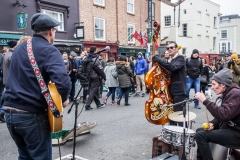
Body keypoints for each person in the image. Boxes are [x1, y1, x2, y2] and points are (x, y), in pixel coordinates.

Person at [3, 13, 72, 159]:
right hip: (31, 114)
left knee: (24, 156)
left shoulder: (20, 48)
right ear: (51, 31)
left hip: (9, 112)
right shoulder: (49, 50)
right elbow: (62, 81)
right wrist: (64, 98)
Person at [194, 68, 240, 160]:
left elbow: (224, 115)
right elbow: (221, 116)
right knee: (200, 131)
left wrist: (205, 101)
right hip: (230, 129)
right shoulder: (227, 93)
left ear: (223, 85)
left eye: (214, 84)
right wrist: (213, 124)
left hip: (237, 133)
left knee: (201, 135)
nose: (212, 87)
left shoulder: (236, 94)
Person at [152, 41, 186, 126]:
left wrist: (160, 60)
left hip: (178, 91)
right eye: (168, 48)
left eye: (171, 47)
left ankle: (184, 134)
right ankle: (172, 134)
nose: (169, 49)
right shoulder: (171, 60)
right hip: (171, 91)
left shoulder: (180, 58)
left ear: (176, 49)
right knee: (171, 114)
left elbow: (173, 67)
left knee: (178, 114)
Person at [82, 46, 106, 110]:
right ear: (95, 51)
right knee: (92, 91)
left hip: (88, 76)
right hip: (95, 77)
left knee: (93, 90)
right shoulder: (95, 59)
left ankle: (98, 104)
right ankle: (87, 105)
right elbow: (100, 69)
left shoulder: (87, 58)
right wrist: (104, 77)